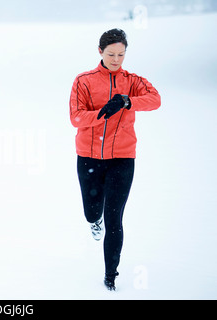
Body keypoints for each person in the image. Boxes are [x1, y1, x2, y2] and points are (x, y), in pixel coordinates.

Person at [69, 28, 161, 291]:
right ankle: (93, 221)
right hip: (89, 157)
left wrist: (127, 101)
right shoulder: (84, 81)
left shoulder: (132, 81)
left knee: (115, 218)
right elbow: (75, 117)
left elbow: (155, 100)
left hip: (122, 157)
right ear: (100, 52)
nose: (116, 59)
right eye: (111, 54)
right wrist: (102, 113)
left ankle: (111, 275)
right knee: (92, 211)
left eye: (121, 54)